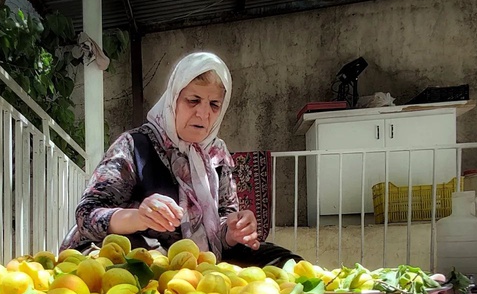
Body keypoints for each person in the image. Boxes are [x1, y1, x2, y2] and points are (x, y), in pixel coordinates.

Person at [60, 51, 300, 267]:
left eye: (214, 104)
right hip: (140, 255)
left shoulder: (216, 156)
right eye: (193, 100)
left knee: (284, 262)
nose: (203, 113)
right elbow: (87, 215)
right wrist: (138, 217)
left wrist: (234, 229)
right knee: (142, 258)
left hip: (196, 262)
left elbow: (224, 219)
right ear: (173, 99)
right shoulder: (134, 145)